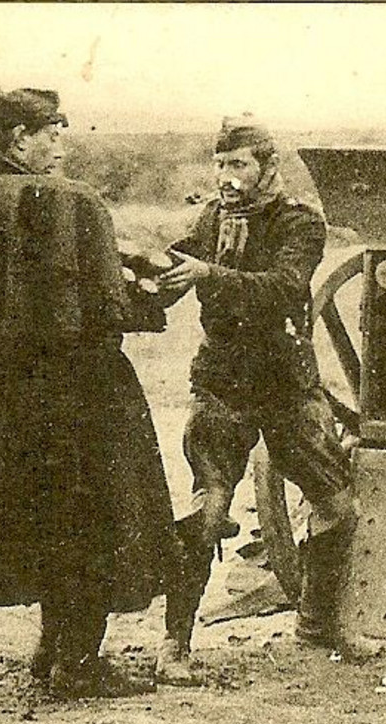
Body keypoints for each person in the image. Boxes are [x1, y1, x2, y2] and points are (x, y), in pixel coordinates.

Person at [0, 88, 175, 698]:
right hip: (82, 386)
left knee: (42, 511)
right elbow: (105, 304)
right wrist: (160, 291)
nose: (62, 143)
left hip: (15, 389)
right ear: (21, 138)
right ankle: (79, 663)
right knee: (97, 513)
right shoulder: (69, 201)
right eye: (53, 131)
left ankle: (50, 646)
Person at [152, 116, 355, 682]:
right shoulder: (215, 217)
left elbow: (286, 288)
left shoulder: (300, 223)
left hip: (286, 384)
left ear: (269, 169)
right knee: (208, 508)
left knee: (338, 506)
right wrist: (151, 274)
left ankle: (316, 625)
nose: (225, 176)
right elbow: (184, 260)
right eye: (220, 164)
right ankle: (174, 645)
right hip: (223, 381)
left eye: (238, 165)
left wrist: (206, 273)